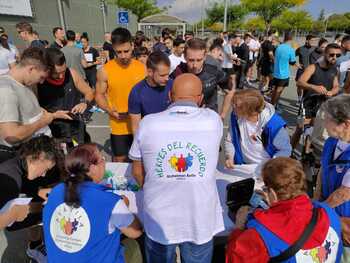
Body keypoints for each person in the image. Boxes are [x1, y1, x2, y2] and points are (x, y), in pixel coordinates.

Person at [129, 73, 224, 263]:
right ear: (200, 98)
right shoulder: (213, 121)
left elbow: (137, 171)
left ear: (170, 96)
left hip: (159, 217)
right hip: (200, 218)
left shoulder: (148, 123)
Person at [226, 157, 343, 263]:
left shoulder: (259, 235)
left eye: (265, 188)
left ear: (272, 192)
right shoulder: (328, 212)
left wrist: (238, 228)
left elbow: (234, 259)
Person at [43, 143, 143, 263]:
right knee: (135, 246)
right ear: (92, 168)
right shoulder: (110, 202)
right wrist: (125, 206)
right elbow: (135, 232)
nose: (105, 163)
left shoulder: (56, 191)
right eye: (102, 159)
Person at [0, 47, 71, 163]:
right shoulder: (6, 90)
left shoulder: (23, 84)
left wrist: (53, 115)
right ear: (31, 69)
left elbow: (28, 114)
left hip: (37, 155)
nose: (42, 82)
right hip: (25, 160)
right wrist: (43, 122)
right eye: (41, 77)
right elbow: (12, 135)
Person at [0, 136, 63, 262]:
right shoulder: (10, 181)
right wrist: (13, 214)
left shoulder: (20, 162)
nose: (44, 174)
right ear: (40, 156)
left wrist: (38, 192)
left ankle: (34, 247)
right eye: (45, 169)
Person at [95, 27, 146, 162]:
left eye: (126, 51)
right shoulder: (105, 70)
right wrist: (109, 110)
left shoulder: (142, 68)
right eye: (119, 52)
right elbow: (99, 95)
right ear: (113, 49)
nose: (123, 56)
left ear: (132, 46)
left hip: (141, 124)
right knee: (120, 162)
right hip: (119, 125)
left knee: (141, 162)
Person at [37, 48, 94, 146]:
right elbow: (33, 108)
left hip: (75, 127)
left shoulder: (71, 73)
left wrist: (84, 102)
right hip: (53, 130)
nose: (60, 76)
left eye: (63, 71)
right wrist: (53, 115)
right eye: (56, 73)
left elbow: (89, 92)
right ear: (46, 69)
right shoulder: (39, 81)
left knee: (80, 156)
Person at [317, 95, 350, 261]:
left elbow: (343, 194)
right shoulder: (331, 142)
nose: (324, 124)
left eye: (327, 119)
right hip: (328, 216)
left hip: (345, 226)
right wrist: (316, 201)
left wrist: (317, 211)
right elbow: (322, 171)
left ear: (345, 124)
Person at [291, 43, 341, 151]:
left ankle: (306, 154)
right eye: (332, 54)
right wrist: (314, 87)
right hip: (308, 104)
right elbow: (300, 82)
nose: (334, 58)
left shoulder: (335, 69)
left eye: (338, 55)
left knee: (314, 132)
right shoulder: (313, 67)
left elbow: (336, 86)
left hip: (324, 105)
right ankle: (289, 153)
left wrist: (332, 92)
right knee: (300, 130)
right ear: (324, 53)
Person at [224, 89, 291, 168]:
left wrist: (270, 166)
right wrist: (230, 156)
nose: (232, 107)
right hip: (242, 166)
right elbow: (230, 139)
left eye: (236, 105)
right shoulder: (236, 116)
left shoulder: (274, 125)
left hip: (265, 169)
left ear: (250, 111)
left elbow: (285, 150)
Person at [170, 38, 233, 119]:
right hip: (185, 121)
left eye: (199, 60)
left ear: (205, 57)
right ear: (185, 57)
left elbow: (230, 91)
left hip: (209, 120)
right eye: (191, 60)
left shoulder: (213, 72)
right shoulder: (177, 73)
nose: (195, 65)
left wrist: (223, 115)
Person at [129, 51, 173, 134]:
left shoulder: (173, 85)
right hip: (150, 137)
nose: (167, 78)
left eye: (168, 74)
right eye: (162, 75)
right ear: (150, 72)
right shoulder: (137, 92)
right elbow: (136, 127)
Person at [270, 31, 297, 106]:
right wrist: (297, 65)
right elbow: (292, 62)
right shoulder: (291, 49)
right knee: (278, 91)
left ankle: (272, 105)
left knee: (274, 90)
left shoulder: (278, 47)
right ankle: (273, 106)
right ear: (291, 38)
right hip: (284, 74)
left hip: (276, 73)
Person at [295, 34, 317, 102]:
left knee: (308, 87)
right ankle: (299, 98)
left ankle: (305, 100)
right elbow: (292, 56)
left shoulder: (315, 49)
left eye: (314, 41)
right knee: (299, 86)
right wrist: (297, 64)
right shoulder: (300, 49)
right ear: (307, 40)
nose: (313, 42)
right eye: (312, 40)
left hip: (311, 72)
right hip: (301, 71)